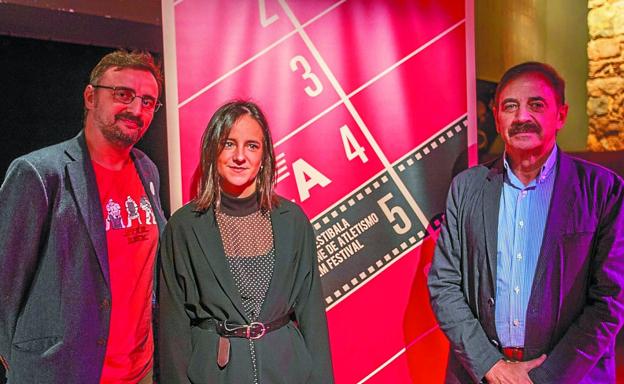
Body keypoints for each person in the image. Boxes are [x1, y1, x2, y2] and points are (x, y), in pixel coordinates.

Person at [428, 62, 624, 383]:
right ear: (497, 116)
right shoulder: (466, 188)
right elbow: (443, 285)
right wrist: (492, 366)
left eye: (536, 105)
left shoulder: (604, 191)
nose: (522, 117)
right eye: (510, 106)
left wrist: (542, 377)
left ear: (560, 114)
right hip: (482, 375)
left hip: (572, 377)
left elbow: (611, 300)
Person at [0, 50, 166, 383]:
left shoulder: (146, 168)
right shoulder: (39, 173)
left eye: (148, 102)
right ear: (91, 97)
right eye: (123, 94)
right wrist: (20, 364)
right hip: (64, 372)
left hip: (140, 371)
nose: (136, 109)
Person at [159, 100, 334, 383]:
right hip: (215, 375)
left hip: (286, 372)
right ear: (212, 150)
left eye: (252, 146)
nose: (240, 156)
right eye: (229, 144)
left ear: (264, 157)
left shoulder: (293, 221)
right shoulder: (183, 227)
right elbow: (173, 328)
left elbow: (313, 317)